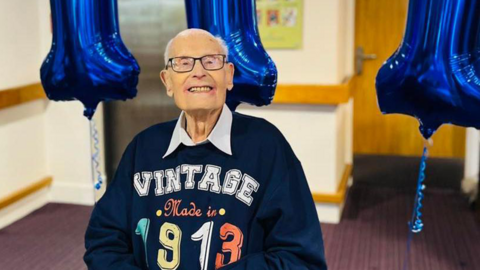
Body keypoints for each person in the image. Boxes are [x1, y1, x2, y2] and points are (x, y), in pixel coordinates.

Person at [84, 28, 327, 270]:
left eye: (211, 62)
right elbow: (104, 241)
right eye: (183, 63)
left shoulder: (267, 146)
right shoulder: (143, 148)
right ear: (167, 81)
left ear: (229, 76)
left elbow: (299, 257)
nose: (198, 72)